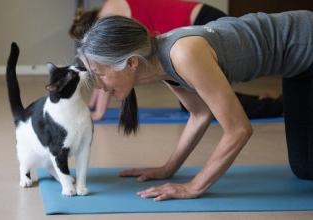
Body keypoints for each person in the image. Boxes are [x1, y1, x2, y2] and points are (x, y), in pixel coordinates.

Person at [78, 10, 313, 201]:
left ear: (131, 63)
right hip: (299, 65)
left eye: (99, 74)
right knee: (305, 167)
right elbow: (200, 113)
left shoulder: (183, 54)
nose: (98, 86)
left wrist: (194, 186)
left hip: (307, 40)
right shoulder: (158, 63)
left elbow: (239, 129)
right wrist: (167, 169)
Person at [69, 0, 283, 121]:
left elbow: (110, 64)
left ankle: (277, 105)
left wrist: (99, 112)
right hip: (192, 25)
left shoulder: (109, 18)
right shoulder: (111, 10)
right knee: (199, 98)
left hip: (199, 23)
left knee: (202, 99)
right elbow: (104, 68)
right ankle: (266, 102)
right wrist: (92, 105)